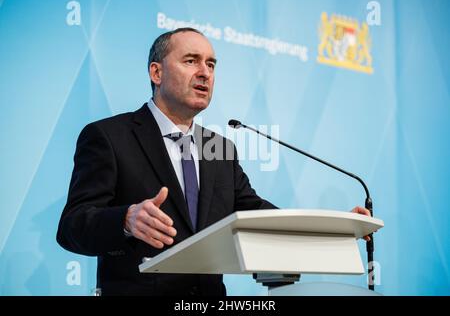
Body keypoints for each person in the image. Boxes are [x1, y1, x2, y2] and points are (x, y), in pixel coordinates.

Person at [56, 27, 371, 296]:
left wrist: (331, 228)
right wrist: (125, 219)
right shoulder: (109, 136)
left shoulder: (219, 147)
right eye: (190, 61)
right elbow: (72, 226)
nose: (204, 72)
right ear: (156, 72)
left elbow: (256, 213)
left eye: (211, 64)